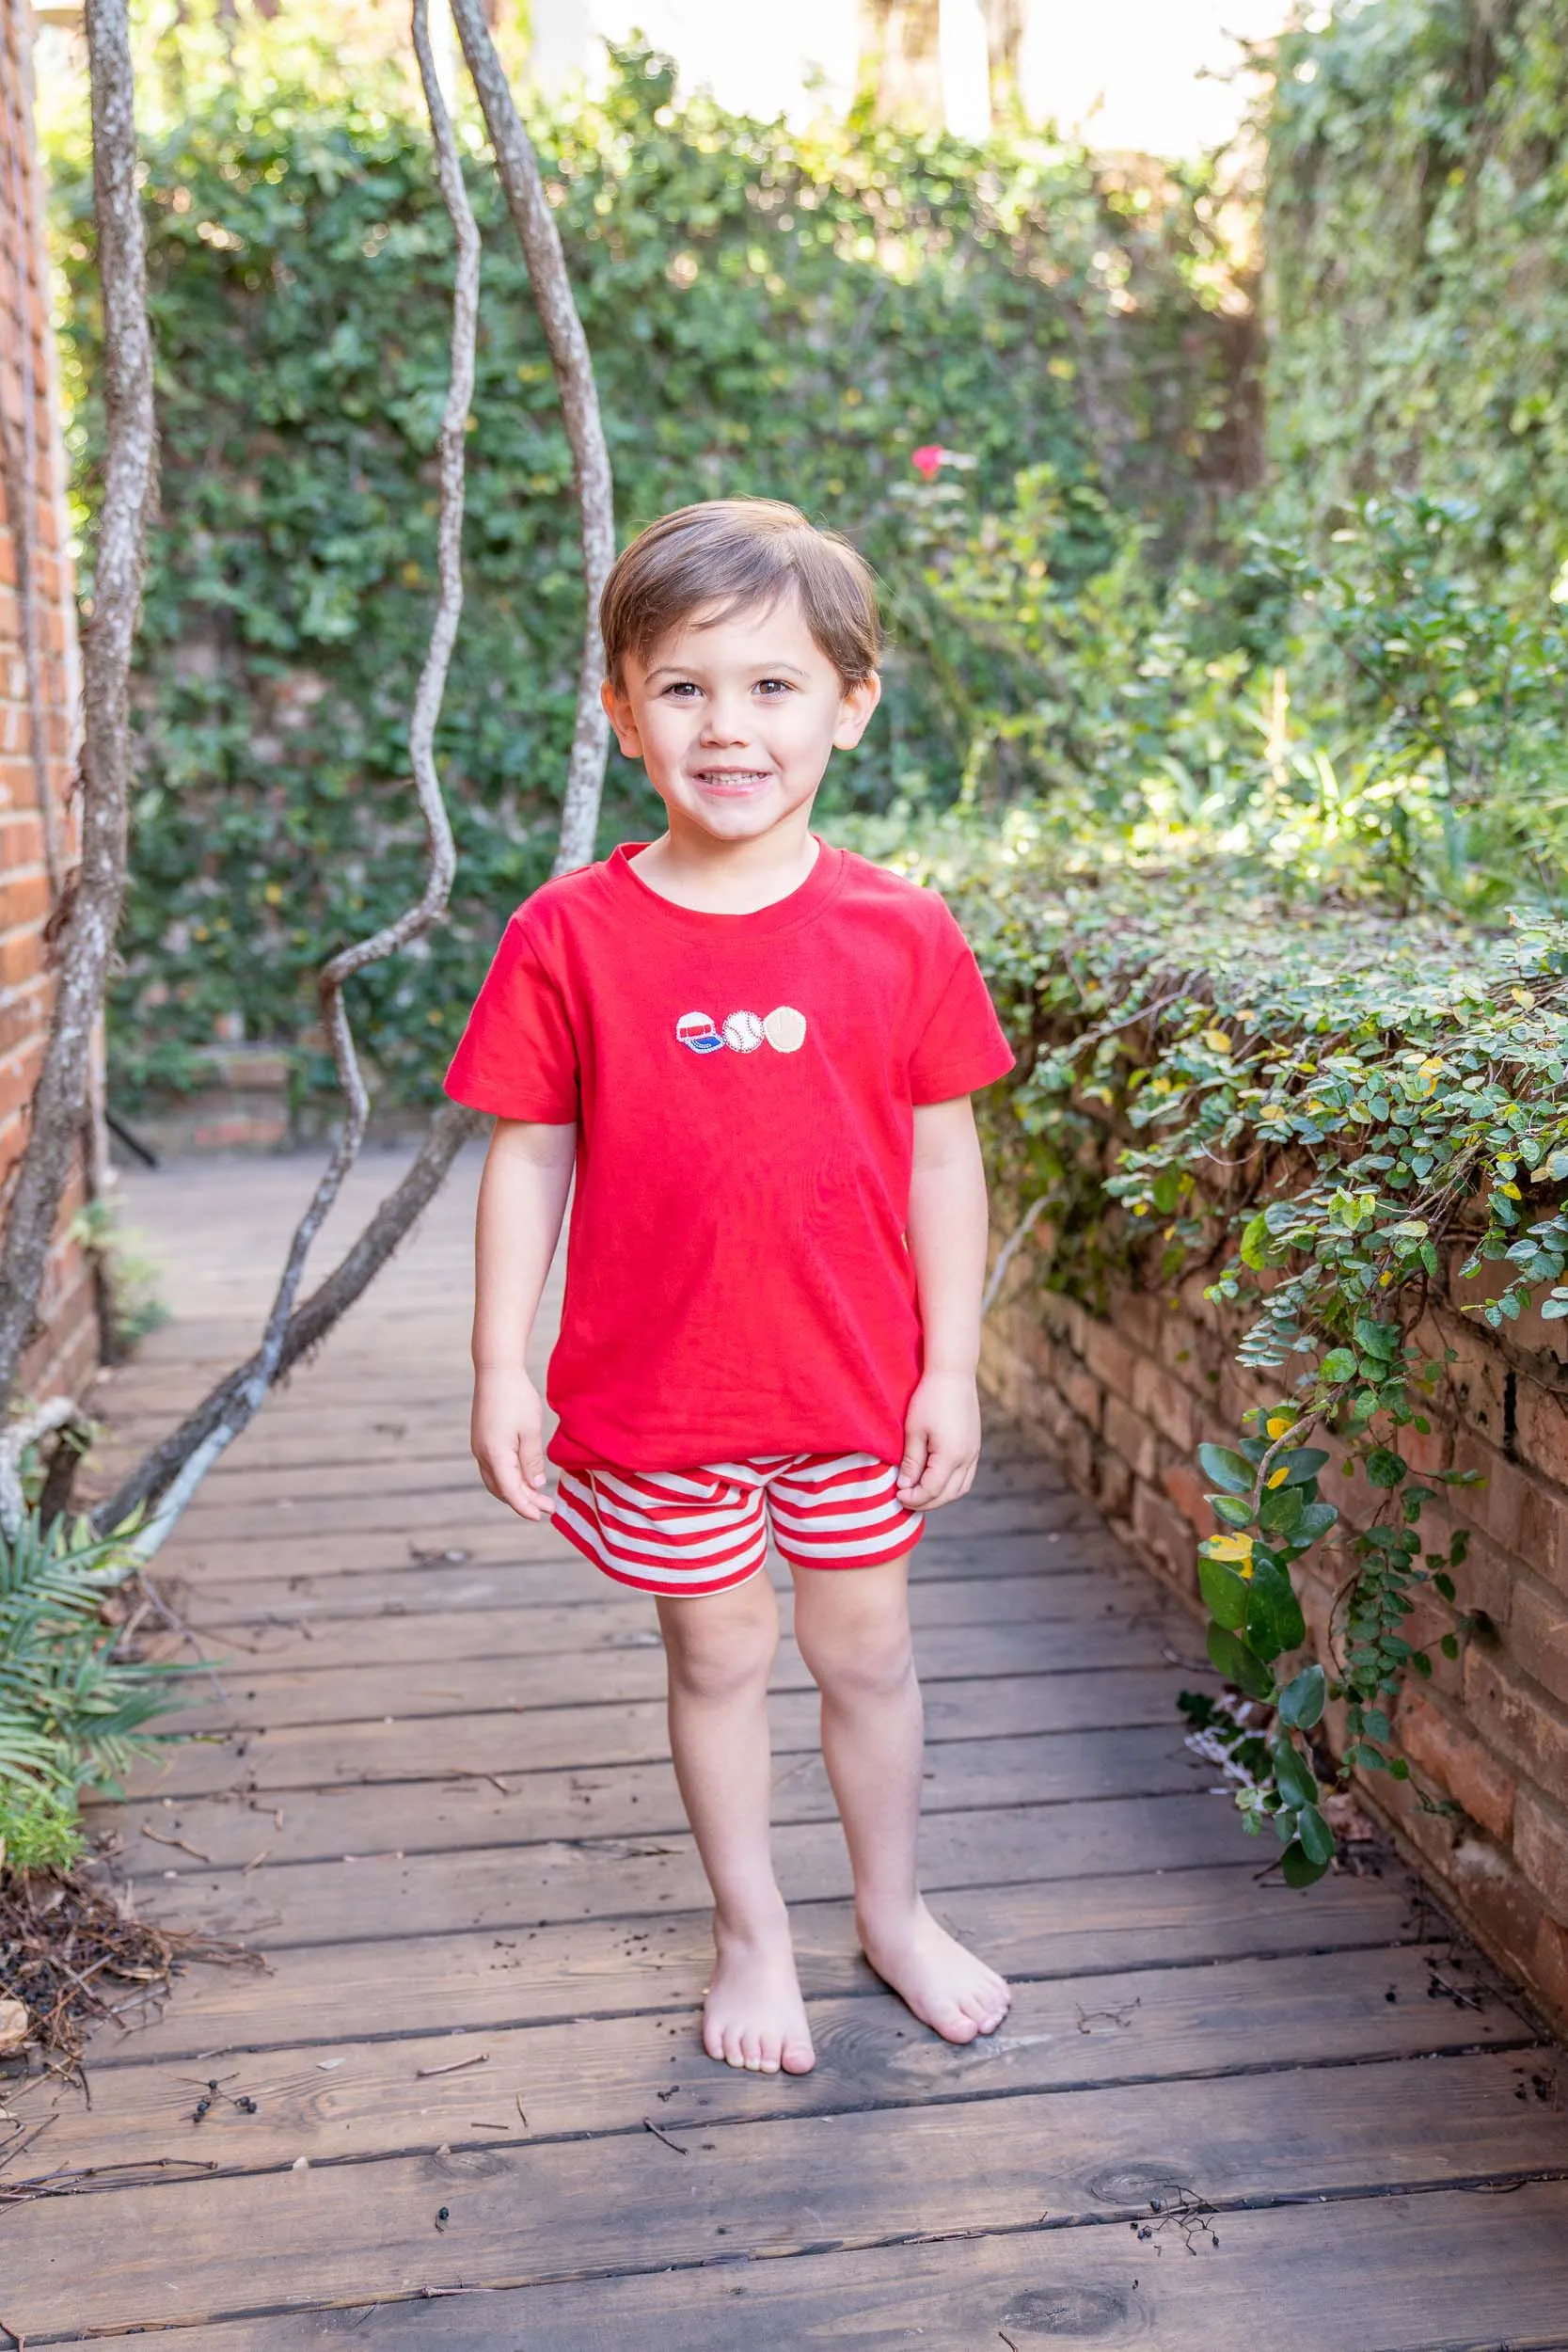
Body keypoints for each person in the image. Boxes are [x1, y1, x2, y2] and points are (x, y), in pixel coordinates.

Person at [445, 498, 1016, 2079]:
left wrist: (949, 1367)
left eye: (772, 686)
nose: (728, 725)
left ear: (849, 704)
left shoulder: (899, 933)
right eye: (684, 686)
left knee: (867, 1654)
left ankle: (889, 1914)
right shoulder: (569, 934)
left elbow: (942, 1163)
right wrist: (503, 1368)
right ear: (621, 712)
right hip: (660, 1398)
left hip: (849, 1386)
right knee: (715, 1656)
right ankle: (749, 1927)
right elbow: (527, 1158)